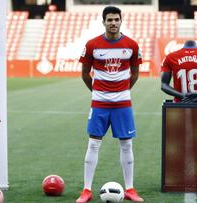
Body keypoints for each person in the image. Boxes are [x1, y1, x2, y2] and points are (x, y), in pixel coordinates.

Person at [76, 6, 144, 203]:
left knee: (126, 144)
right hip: (100, 104)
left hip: (123, 104)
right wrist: (99, 93)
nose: (113, 23)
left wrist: (121, 91)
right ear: (103, 22)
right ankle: (86, 190)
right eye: (109, 20)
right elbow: (84, 74)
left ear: (121, 21)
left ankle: (130, 188)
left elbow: (135, 73)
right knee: (94, 143)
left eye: (116, 19)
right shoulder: (92, 45)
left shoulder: (131, 45)